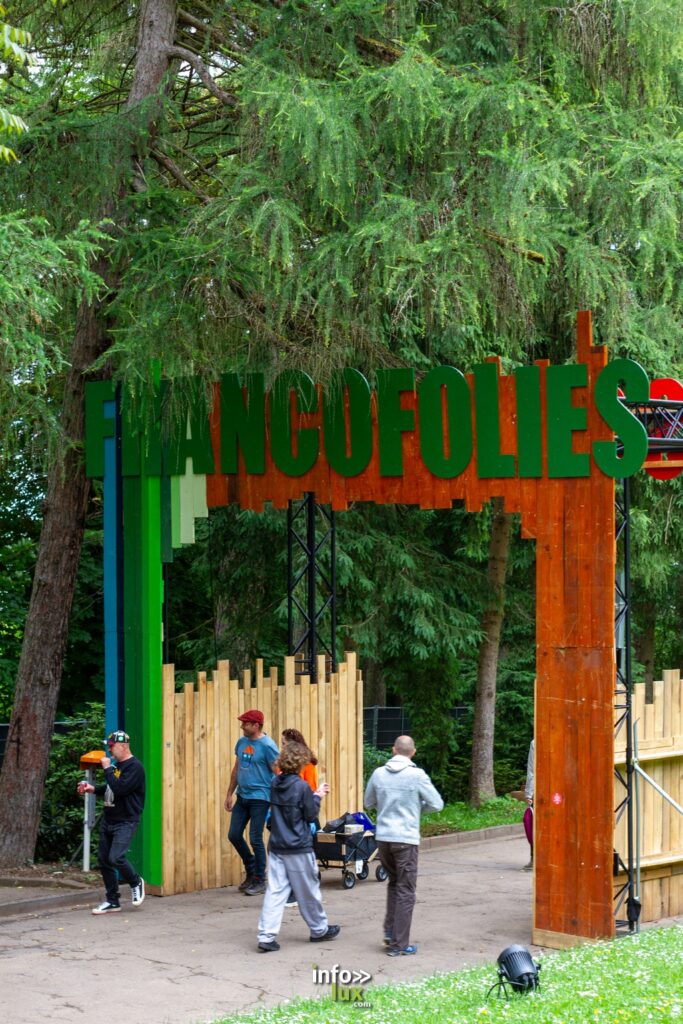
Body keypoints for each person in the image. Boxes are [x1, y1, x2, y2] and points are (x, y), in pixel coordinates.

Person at [256, 742, 340, 952]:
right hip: (298, 846)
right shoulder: (302, 787)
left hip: (277, 845)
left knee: (275, 892)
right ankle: (319, 929)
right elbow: (310, 815)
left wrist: (313, 795)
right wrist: (317, 796)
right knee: (308, 890)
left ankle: (266, 936)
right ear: (301, 763)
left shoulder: (275, 783)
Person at [364, 734, 443, 957]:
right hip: (406, 839)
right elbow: (437, 804)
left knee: (394, 883)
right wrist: (415, 808)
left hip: (384, 838)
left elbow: (368, 802)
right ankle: (399, 944)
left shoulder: (379, 774)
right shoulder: (417, 775)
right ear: (413, 752)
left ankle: (390, 932)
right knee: (406, 890)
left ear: (393, 750)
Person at [77, 729, 146, 915]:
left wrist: (107, 769)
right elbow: (111, 788)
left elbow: (121, 789)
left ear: (123, 746)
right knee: (104, 860)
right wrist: (93, 789)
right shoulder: (117, 765)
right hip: (110, 819)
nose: (109, 750)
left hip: (126, 820)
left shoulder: (135, 767)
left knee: (116, 858)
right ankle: (112, 901)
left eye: (112, 746)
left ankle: (136, 882)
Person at [225, 709, 279, 896]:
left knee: (255, 838)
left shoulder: (268, 746)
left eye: (245, 723)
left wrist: (277, 799)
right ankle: (251, 867)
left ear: (256, 725)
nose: (242, 726)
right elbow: (237, 768)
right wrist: (229, 794)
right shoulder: (242, 742)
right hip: (242, 796)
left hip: (260, 798)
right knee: (234, 835)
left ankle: (259, 879)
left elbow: (278, 773)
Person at [279, 728, 319, 908]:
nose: (281, 747)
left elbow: (310, 789)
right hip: (289, 813)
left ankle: (297, 893)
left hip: (301, 813)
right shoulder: (284, 766)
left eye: (284, 743)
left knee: (299, 855)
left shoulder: (308, 765)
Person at [523, 738, 534, 871]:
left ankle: (534, 859)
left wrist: (529, 794)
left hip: (541, 793)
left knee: (535, 825)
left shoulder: (536, 742)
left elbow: (532, 770)